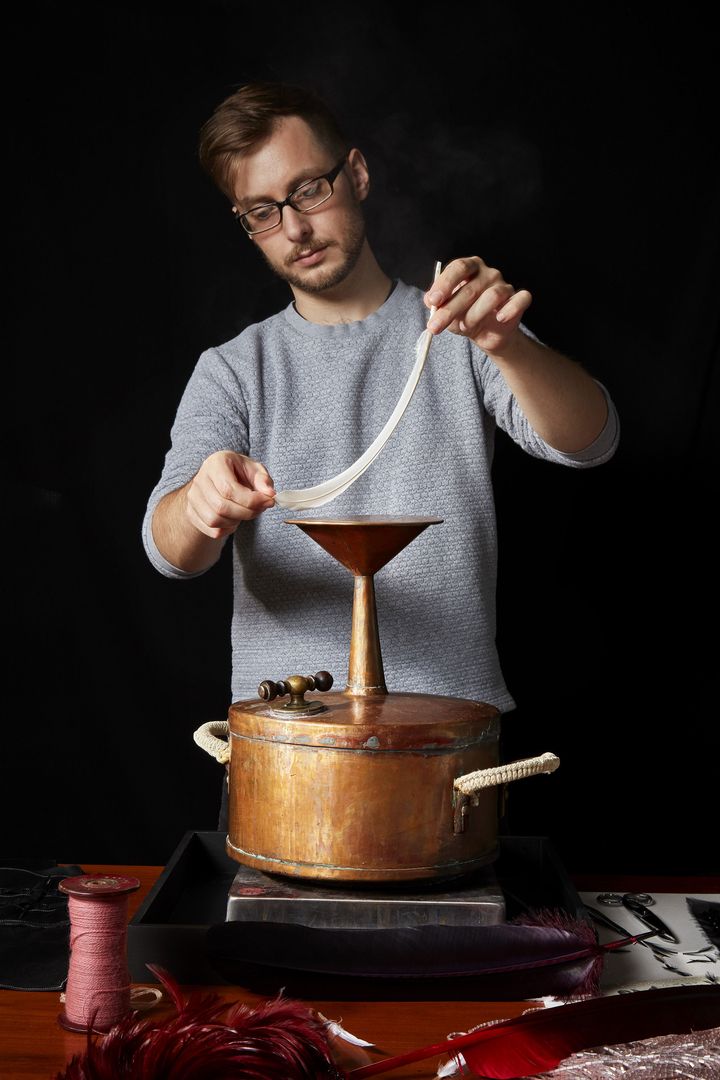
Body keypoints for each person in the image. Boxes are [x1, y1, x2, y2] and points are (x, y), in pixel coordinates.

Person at [142, 81, 619, 826]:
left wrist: (506, 345)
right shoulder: (233, 369)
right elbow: (170, 550)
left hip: (451, 747)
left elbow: (592, 440)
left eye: (309, 189)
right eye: (263, 212)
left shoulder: (456, 329)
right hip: (287, 748)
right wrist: (200, 503)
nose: (295, 226)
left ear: (356, 174)